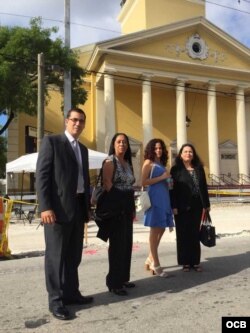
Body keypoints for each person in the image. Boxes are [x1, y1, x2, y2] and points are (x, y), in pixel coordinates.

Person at [36, 108, 93, 320]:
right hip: (56, 211)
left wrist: (87, 206)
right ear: (66, 121)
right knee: (55, 257)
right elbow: (42, 177)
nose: (78, 124)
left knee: (73, 256)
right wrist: (45, 207)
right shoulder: (52, 142)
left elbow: (84, 181)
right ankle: (56, 301)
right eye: (74, 120)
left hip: (78, 208)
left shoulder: (83, 150)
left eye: (81, 121)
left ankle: (71, 293)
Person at [101, 133, 136, 296]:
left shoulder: (128, 163)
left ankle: (123, 278)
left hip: (128, 206)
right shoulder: (109, 161)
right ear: (114, 144)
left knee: (126, 244)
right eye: (119, 141)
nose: (122, 144)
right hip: (116, 208)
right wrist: (120, 202)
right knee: (116, 246)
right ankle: (113, 282)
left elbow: (131, 184)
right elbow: (107, 184)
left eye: (124, 142)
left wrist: (131, 207)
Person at [170, 143, 210, 272]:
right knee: (182, 234)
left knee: (194, 234)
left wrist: (207, 205)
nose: (188, 154)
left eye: (190, 152)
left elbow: (203, 187)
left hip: (197, 206)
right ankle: (185, 262)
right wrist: (174, 206)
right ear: (181, 155)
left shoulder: (199, 168)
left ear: (193, 155)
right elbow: (172, 190)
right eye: (185, 151)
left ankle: (195, 261)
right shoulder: (175, 170)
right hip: (181, 207)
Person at [141, 138, 174, 278]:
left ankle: (150, 258)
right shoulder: (148, 163)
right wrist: (162, 177)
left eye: (160, 148)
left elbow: (165, 179)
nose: (158, 150)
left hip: (164, 198)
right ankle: (156, 263)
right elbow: (143, 182)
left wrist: (168, 180)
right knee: (155, 231)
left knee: (161, 228)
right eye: (155, 148)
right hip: (154, 199)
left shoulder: (161, 163)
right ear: (151, 150)